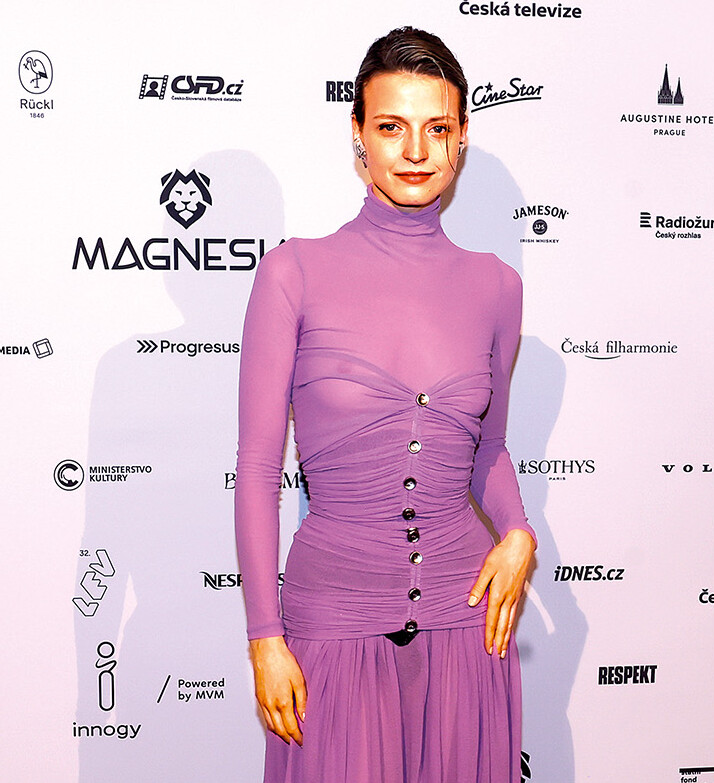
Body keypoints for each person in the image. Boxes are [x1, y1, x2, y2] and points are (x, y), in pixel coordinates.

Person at [235, 26, 537, 783]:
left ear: (461, 138)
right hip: (331, 627)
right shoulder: (293, 273)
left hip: (466, 628)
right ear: (358, 134)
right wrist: (264, 635)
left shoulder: (497, 286)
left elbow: (488, 449)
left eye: (437, 128)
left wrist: (518, 531)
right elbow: (258, 469)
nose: (415, 151)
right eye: (392, 127)